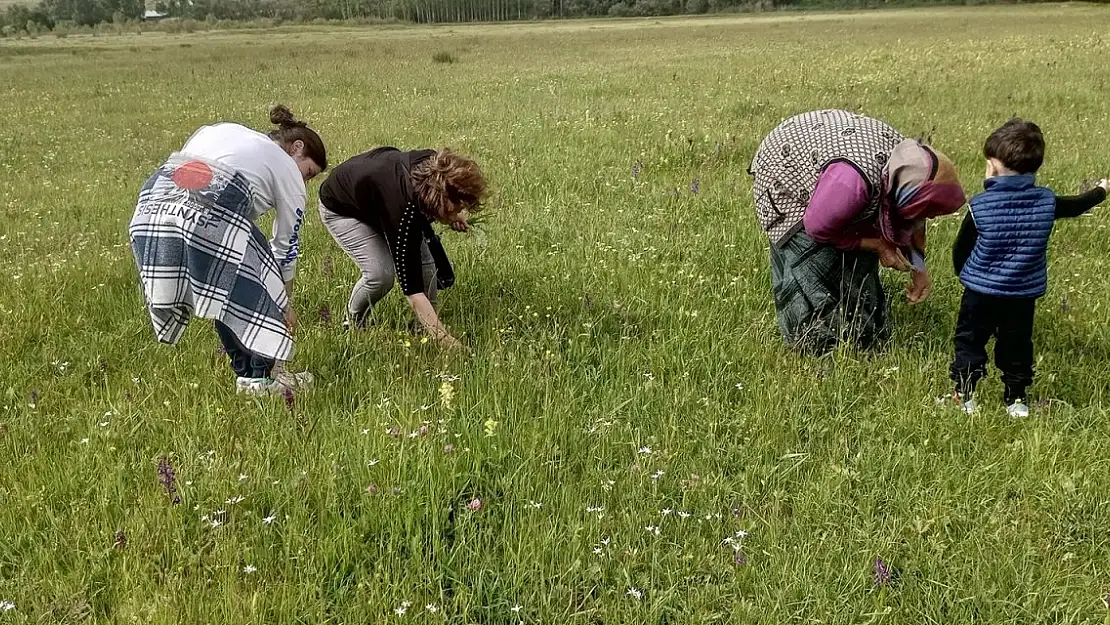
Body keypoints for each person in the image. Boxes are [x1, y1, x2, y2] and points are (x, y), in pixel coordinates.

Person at [129, 105, 327, 395]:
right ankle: (265, 377)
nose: (305, 182)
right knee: (256, 276)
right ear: (297, 148)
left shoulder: (222, 130)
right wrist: (285, 304)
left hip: (153, 203)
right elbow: (286, 247)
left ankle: (248, 376)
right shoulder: (287, 171)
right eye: (309, 172)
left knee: (219, 285)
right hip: (210, 207)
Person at [749, 109, 967, 355]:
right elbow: (818, 229)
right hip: (785, 168)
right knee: (813, 263)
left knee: (857, 264)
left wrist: (919, 269)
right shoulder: (852, 183)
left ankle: (863, 337)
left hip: (834, 167)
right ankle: (815, 348)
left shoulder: (911, 170)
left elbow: (915, 217)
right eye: (930, 211)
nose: (930, 217)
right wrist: (878, 245)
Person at [948, 118, 1108, 417]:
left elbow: (960, 250)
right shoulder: (1046, 202)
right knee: (1017, 344)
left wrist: (965, 275)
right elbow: (1076, 205)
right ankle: (1016, 399)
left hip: (979, 292)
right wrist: (1101, 190)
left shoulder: (980, 206)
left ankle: (964, 397)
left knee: (970, 341)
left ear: (992, 168)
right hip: (1022, 295)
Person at [317, 146, 488, 347]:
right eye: (458, 207)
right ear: (438, 201)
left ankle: (422, 328)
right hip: (343, 209)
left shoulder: (435, 167)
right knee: (380, 275)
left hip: (376, 198)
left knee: (427, 268)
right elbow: (412, 290)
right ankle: (353, 323)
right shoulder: (403, 213)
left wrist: (451, 214)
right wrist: (448, 342)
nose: (461, 211)